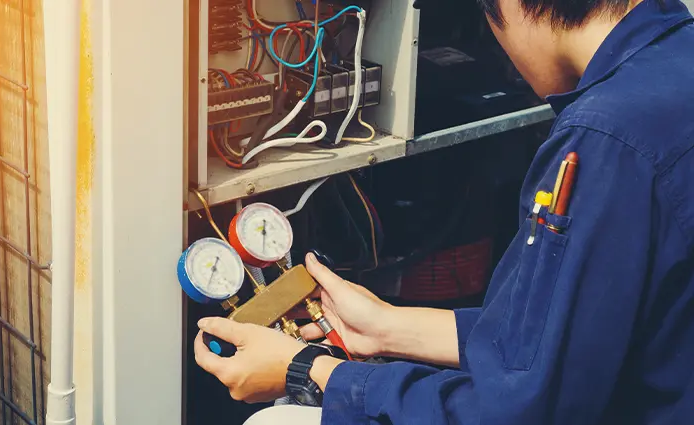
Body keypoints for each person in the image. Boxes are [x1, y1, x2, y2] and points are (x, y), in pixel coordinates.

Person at [193, 0, 694, 423]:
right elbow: (566, 338)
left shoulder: (607, 138)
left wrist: (310, 372)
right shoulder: (675, 64)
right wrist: (388, 326)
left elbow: (520, 409)